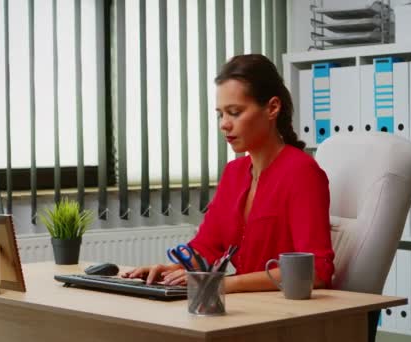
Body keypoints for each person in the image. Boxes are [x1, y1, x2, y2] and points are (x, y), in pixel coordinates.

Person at [122, 54, 335, 293]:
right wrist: (169, 269)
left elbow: (315, 270)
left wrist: (225, 283)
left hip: (281, 312)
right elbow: (208, 246)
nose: (224, 123)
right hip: (243, 306)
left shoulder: (302, 172)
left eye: (234, 112)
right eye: (220, 114)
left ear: (272, 108)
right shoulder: (234, 173)